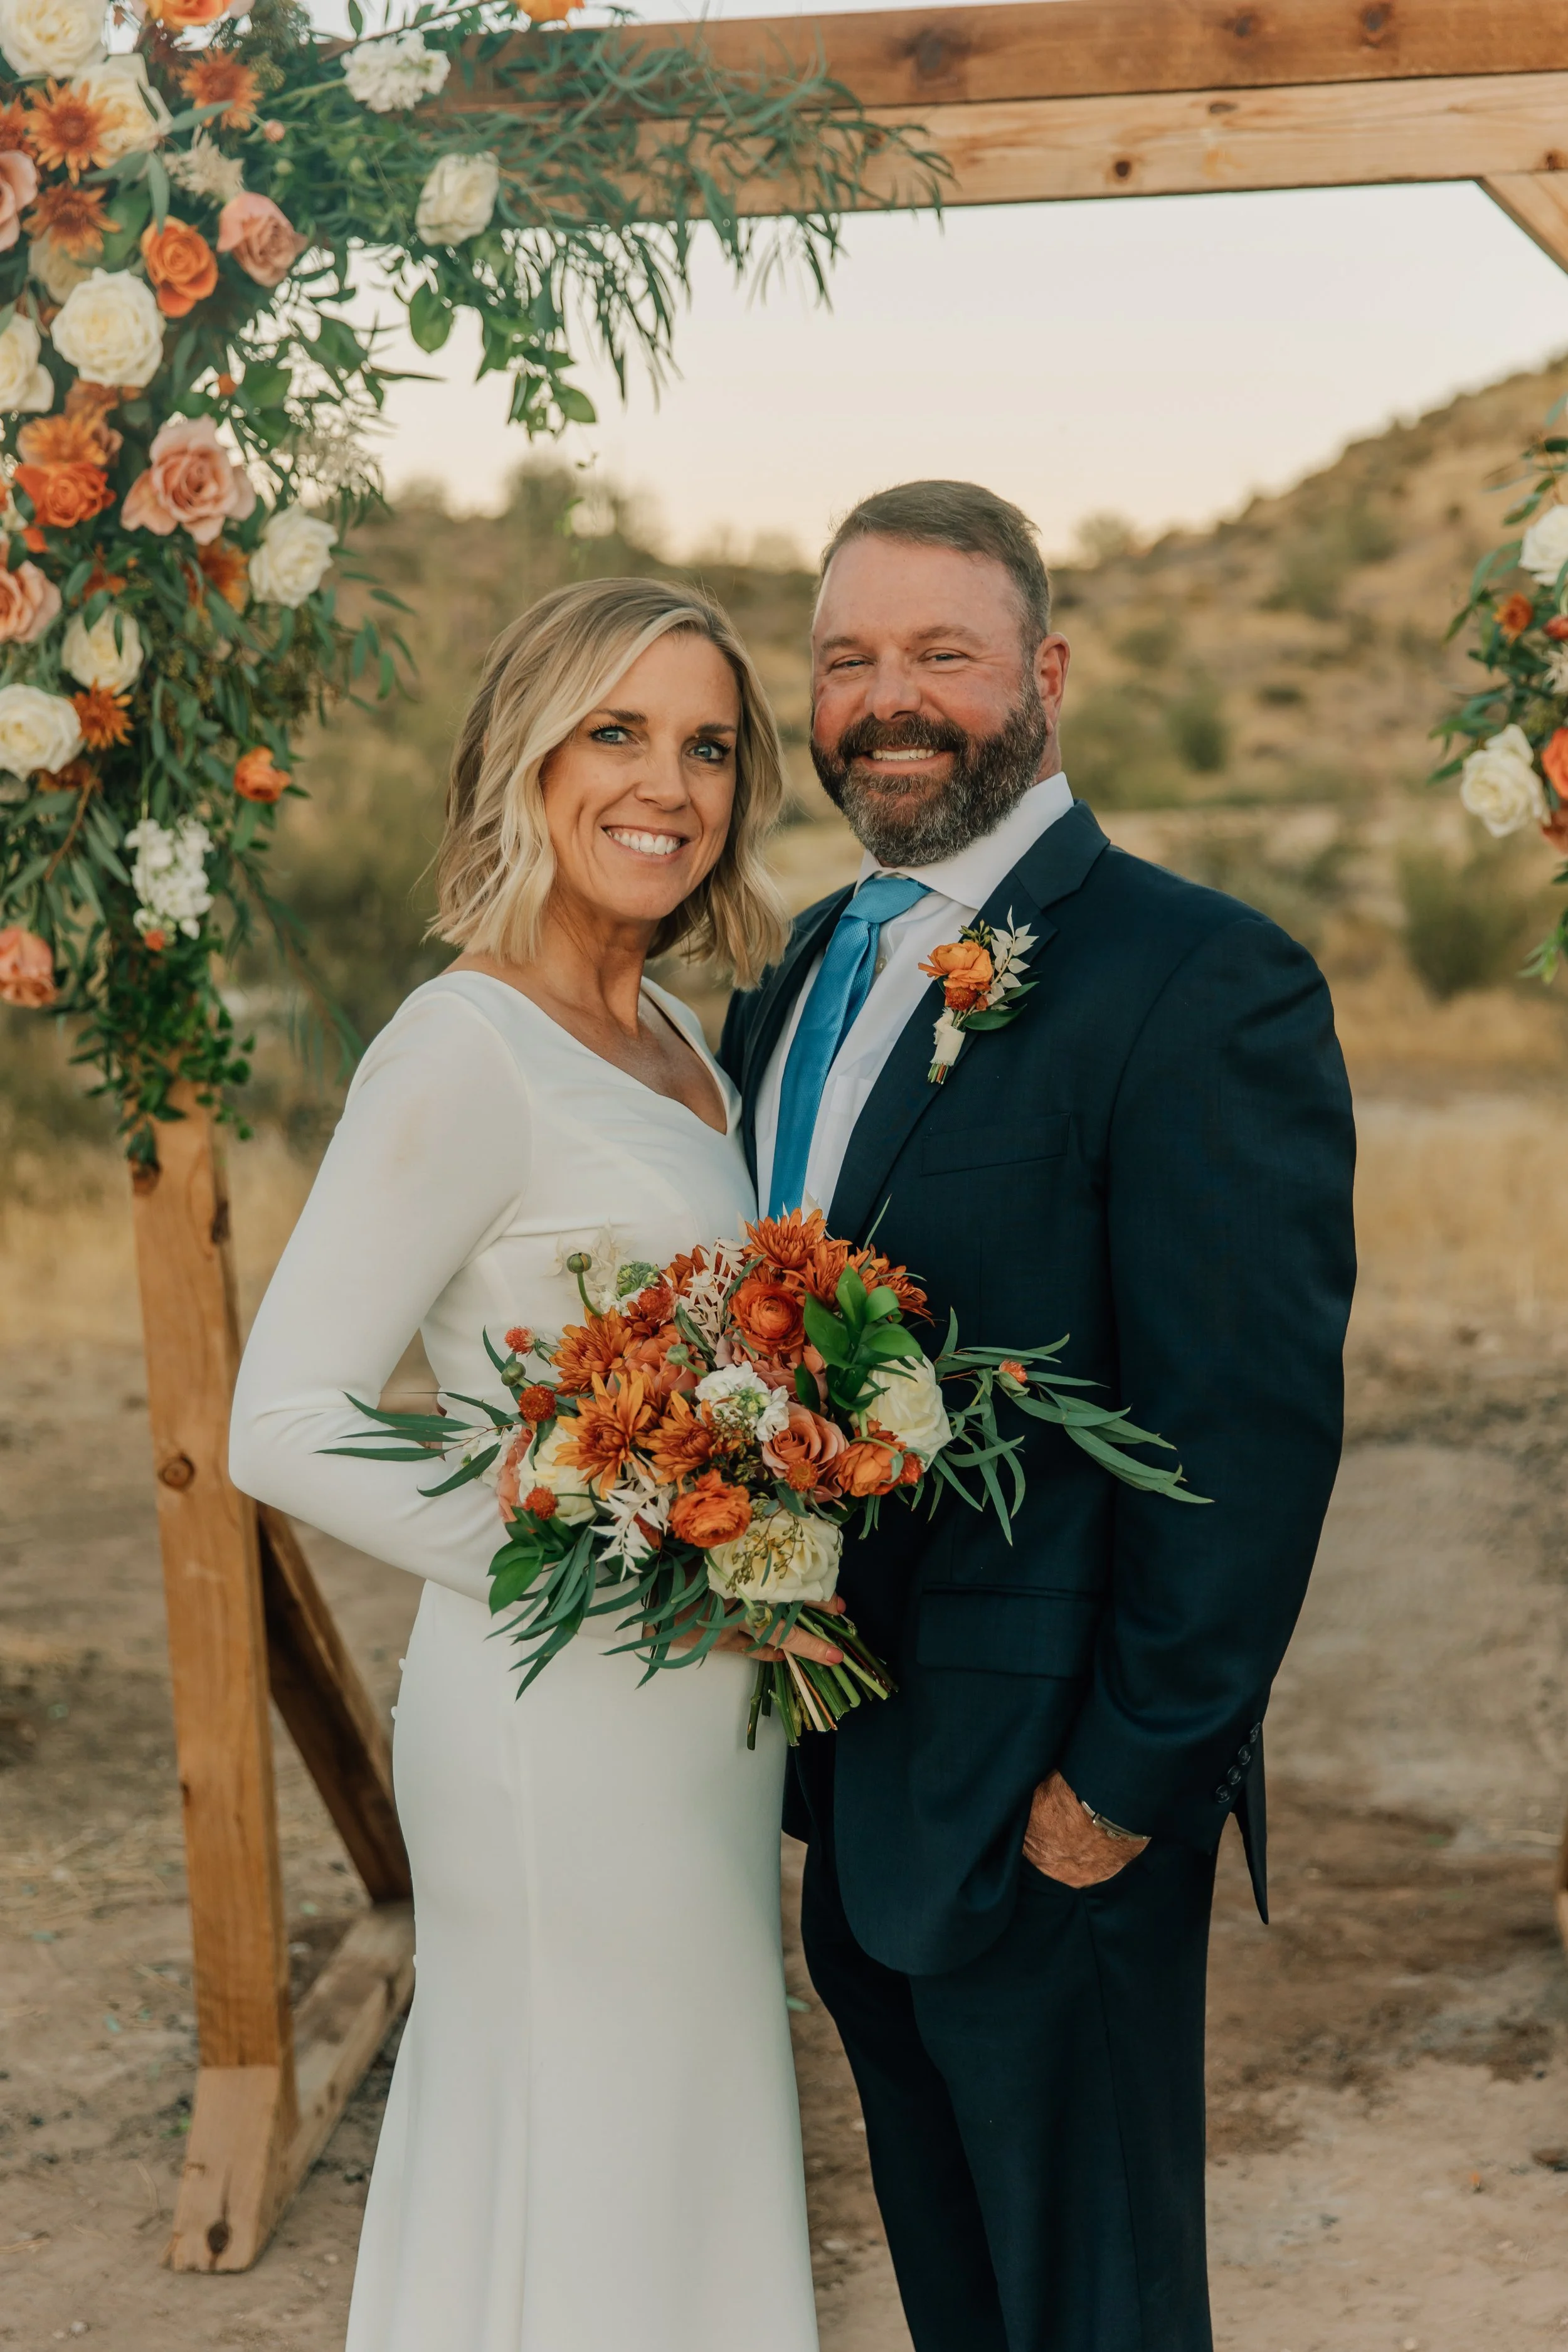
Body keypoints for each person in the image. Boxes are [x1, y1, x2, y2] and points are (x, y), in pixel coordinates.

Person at [719, 480, 1357, 2352]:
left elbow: (1243, 1424)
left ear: (1042, 674)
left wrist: (1123, 1789)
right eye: (847, 658)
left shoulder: (1195, 977)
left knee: (1093, 2306)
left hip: (1050, 1805)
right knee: (958, 2298)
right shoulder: (795, 976)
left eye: (941, 652)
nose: (887, 697)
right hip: (853, 1786)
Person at [229, 577, 839, 2352]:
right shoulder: (462, 1044)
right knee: (578, 2138)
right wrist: (598, 1535)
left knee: (672, 2139)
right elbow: (284, 1414)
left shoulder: (684, 1048)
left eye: (708, 744)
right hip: (552, 1714)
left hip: (695, 1720)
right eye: (617, 732)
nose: (669, 781)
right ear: (528, 757)